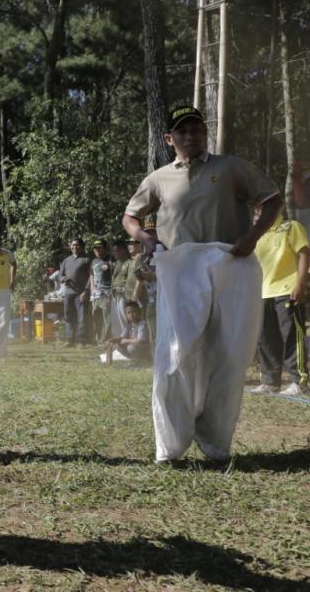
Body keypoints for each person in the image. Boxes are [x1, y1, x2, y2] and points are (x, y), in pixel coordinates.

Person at [124, 103, 282, 463]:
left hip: (230, 264)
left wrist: (254, 235)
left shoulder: (229, 168)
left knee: (228, 353)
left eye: (196, 128)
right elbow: (130, 216)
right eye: (182, 131)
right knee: (175, 354)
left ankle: (215, 443)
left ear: (204, 132)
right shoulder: (159, 178)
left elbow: (271, 198)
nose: (190, 135)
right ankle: (171, 444)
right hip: (180, 269)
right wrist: (147, 240)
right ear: (169, 138)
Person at [250, 203, 310, 396]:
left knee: (292, 336)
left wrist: (301, 283)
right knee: (265, 338)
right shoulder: (257, 233)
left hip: (287, 290)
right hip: (262, 293)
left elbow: (304, 254)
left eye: (264, 206)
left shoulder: (291, 226)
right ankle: (270, 381)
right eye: (257, 208)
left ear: (279, 207)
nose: (259, 210)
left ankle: (299, 382)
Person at [58, 238, 92, 348]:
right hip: (68, 293)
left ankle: (81, 341)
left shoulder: (86, 260)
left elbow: (91, 277)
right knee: (68, 316)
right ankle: (70, 340)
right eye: (72, 245)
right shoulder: (66, 260)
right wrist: (62, 279)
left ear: (81, 247)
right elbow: (60, 275)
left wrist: (86, 291)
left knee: (81, 317)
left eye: (77, 245)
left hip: (80, 293)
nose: (74, 247)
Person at [102, 300, 150, 364]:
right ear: (126, 315)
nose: (131, 315)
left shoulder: (142, 324)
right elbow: (122, 338)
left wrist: (126, 341)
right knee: (117, 345)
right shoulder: (128, 325)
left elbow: (141, 340)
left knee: (130, 347)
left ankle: (140, 359)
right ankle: (132, 358)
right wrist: (112, 340)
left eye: (134, 312)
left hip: (143, 348)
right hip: (133, 347)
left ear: (139, 313)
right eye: (129, 313)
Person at [88, 239, 112, 345]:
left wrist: (111, 292)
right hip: (95, 294)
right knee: (95, 316)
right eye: (95, 248)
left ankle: (105, 339)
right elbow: (91, 274)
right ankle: (98, 338)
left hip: (106, 293)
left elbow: (114, 276)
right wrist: (92, 287)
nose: (97, 250)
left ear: (105, 248)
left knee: (106, 317)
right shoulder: (93, 261)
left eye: (100, 247)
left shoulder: (110, 259)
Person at [109, 240, 132, 339]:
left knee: (124, 320)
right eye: (113, 251)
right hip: (114, 295)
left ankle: (126, 340)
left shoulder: (129, 262)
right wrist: (109, 296)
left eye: (116, 251)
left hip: (124, 295)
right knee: (115, 321)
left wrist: (128, 295)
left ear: (123, 250)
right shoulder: (117, 263)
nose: (114, 253)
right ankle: (118, 343)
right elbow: (113, 280)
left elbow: (130, 280)